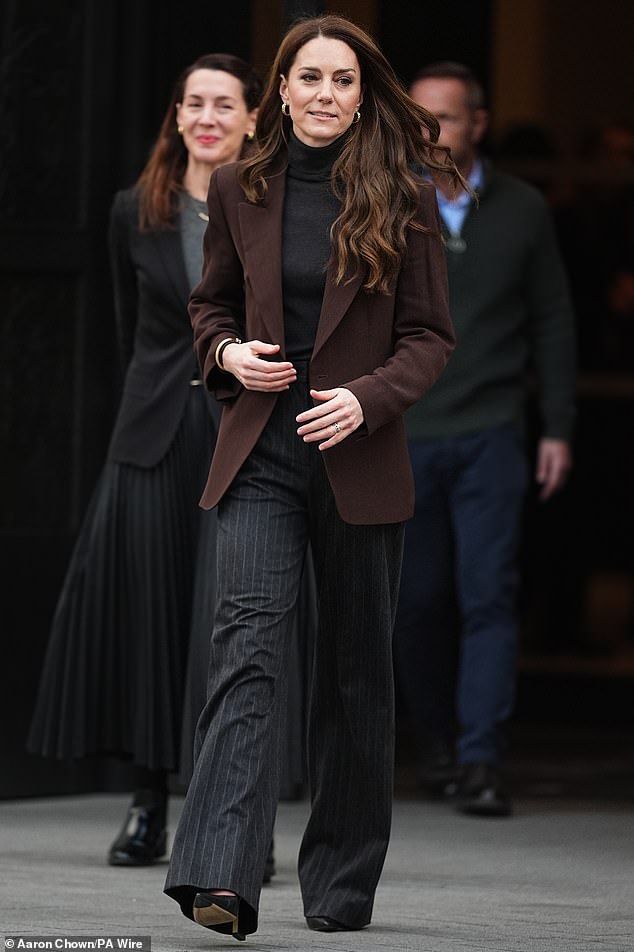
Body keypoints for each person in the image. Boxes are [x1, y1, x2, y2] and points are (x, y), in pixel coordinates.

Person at [163, 13, 459, 942]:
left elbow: (428, 340)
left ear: (360, 94)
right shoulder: (239, 187)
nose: (325, 94)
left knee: (356, 676)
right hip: (261, 451)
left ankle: (340, 883)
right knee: (245, 653)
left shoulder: (403, 196)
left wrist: (368, 401)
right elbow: (207, 306)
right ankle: (219, 873)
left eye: (341, 80)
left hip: (359, 458)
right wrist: (228, 355)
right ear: (279, 92)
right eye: (308, 78)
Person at [26, 54, 303, 873]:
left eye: (225, 104)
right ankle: (148, 807)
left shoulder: (272, 204)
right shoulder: (131, 210)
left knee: (235, 629)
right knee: (147, 622)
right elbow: (129, 330)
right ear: (177, 116)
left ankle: (232, 825)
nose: (208, 116)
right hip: (152, 435)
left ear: (255, 118)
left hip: (238, 428)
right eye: (193, 103)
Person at [393, 62, 576, 817]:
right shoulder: (389, 204)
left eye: (449, 118)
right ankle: (432, 740)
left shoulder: (524, 208)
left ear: (480, 122)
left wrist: (558, 426)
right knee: (417, 599)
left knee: (489, 596)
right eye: (421, 118)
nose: (434, 133)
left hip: (494, 431)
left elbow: (553, 319)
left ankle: (481, 759)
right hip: (404, 430)